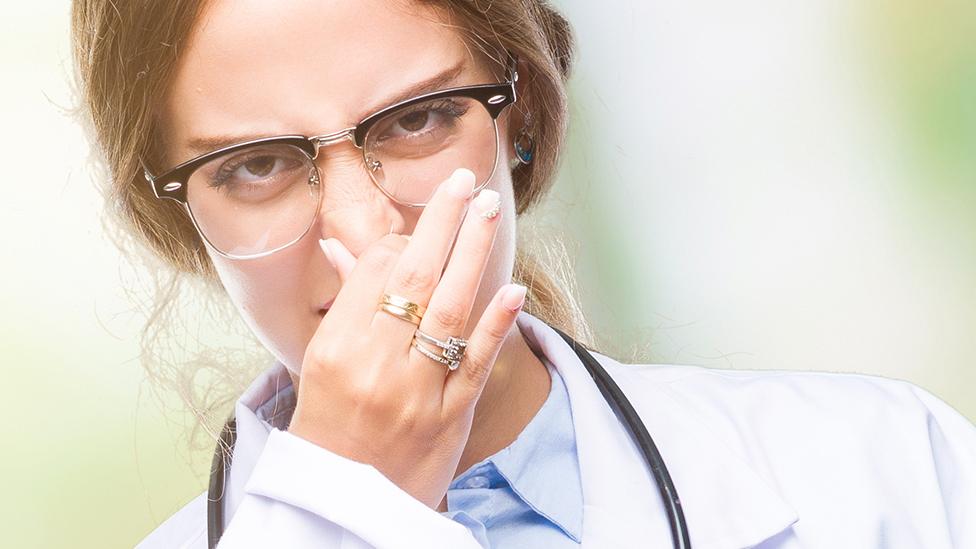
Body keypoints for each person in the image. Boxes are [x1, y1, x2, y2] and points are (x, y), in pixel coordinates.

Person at [70, 1, 976, 548]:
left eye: (416, 118)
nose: (362, 229)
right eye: (255, 165)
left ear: (523, 119)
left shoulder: (890, 469)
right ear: (179, 218)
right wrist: (341, 508)